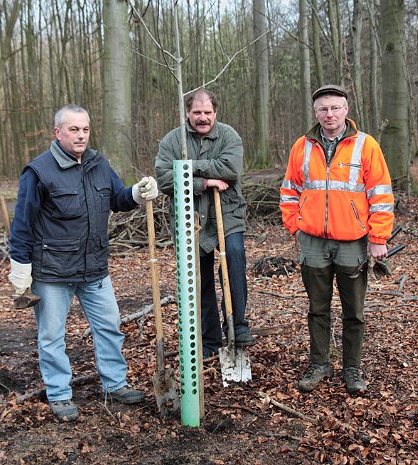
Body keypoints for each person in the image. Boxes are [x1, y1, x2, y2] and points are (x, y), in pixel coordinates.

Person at [8, 104, 158, 421]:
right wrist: (20, 268)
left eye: (85, 129)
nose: (81, 135)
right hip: (52, 272)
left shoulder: (98, 164)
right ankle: (60, 395)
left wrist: (137, 192)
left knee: (109, 328)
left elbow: (117, 198)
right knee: (51, 337)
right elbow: (22, 224)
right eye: (74, 129)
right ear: (58, 132)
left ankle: (115, 385)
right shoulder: (38, 172)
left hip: (94, 269)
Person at [279, 84, 394, 395]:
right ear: (316, 113)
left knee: (353, 310)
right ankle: (319, 364)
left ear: (346, 110)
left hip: (353, 241)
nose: (329, 114)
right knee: (317, 307)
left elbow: (381, 195)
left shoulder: (366, 146)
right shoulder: (302, 146)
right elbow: (289, 190)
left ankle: (352, 368)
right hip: (313, 241)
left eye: (335, 108)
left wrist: (378, 237)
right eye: (323, 109)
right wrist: (296, 226)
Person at [155, 89, 256, 359]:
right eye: (197, 113)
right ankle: (209, 341)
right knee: (199, 280)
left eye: (207, 112)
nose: (202, 118)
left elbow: (231, 170)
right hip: (190, 216)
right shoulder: (173, 140)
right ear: (187, 113)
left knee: (234, 259)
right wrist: (204, 181)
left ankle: (237, 325)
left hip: (227, 213)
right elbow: (164, 179)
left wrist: (186, 167)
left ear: (215, 112)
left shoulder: (228, 135)